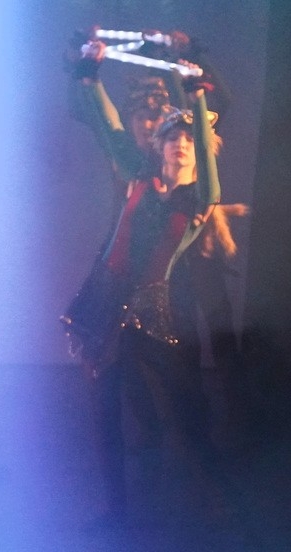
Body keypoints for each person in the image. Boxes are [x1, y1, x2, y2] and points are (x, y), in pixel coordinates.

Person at [62, 40, 228, 524]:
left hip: (152, 313)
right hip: (107, 303)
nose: (180, 144)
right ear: (159, 146)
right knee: (104, 411)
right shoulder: (138, 176)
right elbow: (112, 127)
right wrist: (91, 75)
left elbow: (208, 162)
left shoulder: (199, 199)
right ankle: (116, 509)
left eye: (189, 139)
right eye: (172, 137)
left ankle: (216, 500)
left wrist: (197, 93)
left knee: (184, 407)